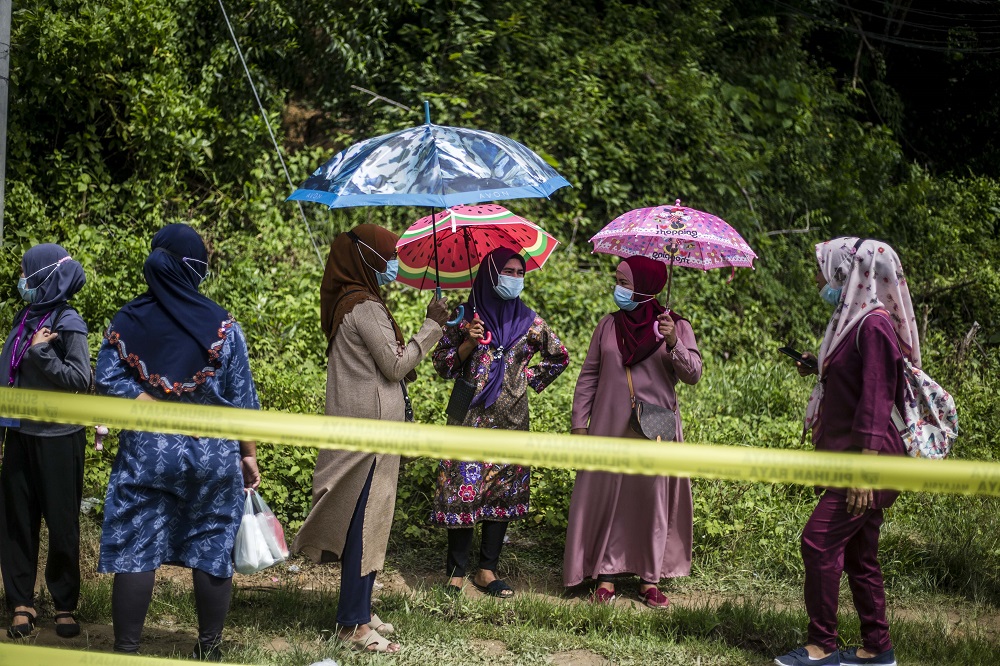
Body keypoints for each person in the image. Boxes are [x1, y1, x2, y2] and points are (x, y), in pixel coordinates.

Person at [96, 224, 261, 659]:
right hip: (212, 455)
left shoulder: (127, 320)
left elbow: (107, 379)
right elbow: (242, 400)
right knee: (211, 546)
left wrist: (145, 399)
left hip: (146, 454)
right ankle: (209, 651)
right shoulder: (224, 328)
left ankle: (126, 651)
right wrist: (248, 456)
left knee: (136, 549)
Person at [293, 224, 450, 654]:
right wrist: (431, 327)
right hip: (369, 439)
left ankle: (361, 608)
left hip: (368, 432)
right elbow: (396, 366)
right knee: (364, 525)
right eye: (388, 255)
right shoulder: (363, 306)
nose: (393, 264)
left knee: (369, 521)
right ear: (366, 258)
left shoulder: (351, 301)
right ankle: (352, 626)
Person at [774, 237, 913, 666]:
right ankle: (877, 649)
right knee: (859, 553)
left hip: (865, 459)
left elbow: (876, 396)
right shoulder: (853, 320)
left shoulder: (873, 325)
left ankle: (821, 647)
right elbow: (857, 379)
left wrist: (862, 474)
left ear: (847, 271)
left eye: (822, 269)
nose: (818, 278)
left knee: (818, 542)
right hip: (856, 455)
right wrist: (818, 367)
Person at [562, 256, 701, 607]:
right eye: (619, 281)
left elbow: (693, 374)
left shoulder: (675, 325)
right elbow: (589, 376)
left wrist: (673, 342)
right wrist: (580, 425)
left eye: (625, 282)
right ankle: (605, 575)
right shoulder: (608, 326)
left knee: (650, 501)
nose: (619, 288)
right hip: (609, 426)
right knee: (611, 498)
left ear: (645, 286)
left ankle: (649, 579)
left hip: (654, 430)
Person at [431, 247, 569, 598]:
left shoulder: (530, 321)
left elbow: (560, 356)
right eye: (508, 271)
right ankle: (456, 573)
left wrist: (526, 378)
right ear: (491, 273)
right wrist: (466, 344)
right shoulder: (465, 316)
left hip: (511, 421)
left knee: (501, 494)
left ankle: (487, 571)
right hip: (470, 420)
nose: (515, 278)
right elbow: (442, 364)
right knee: (463, 490)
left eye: (520, 273)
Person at [0, 244, 89, 639]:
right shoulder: (25, 318)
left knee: (62, 524)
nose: (22, 278)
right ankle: (21, 602)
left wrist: (42, 353)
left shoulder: (68, 321)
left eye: (25, 271)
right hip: (19, 435)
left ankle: (64, 605)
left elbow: (80, 380)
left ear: (43, 275)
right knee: (17, 523)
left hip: (58, 438)